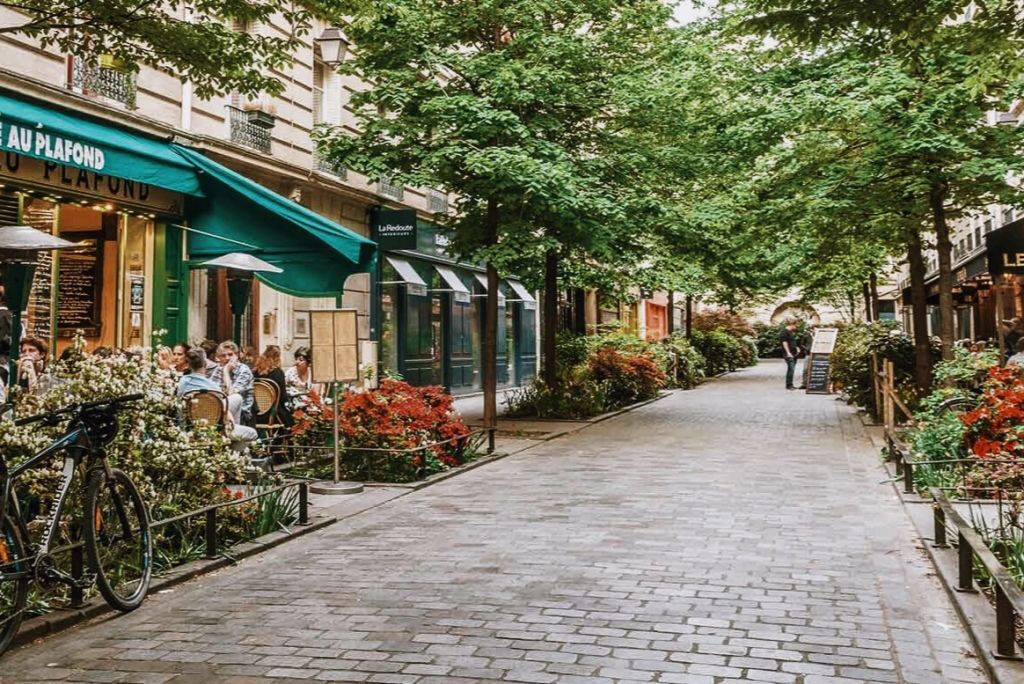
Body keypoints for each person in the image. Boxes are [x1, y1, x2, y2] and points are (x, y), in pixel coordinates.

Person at [176, 348, 257, 450]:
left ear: (188, 365)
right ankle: (233, 454)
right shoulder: (212, 387)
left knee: (237, 398)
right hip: (213, 428)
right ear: (205, 364)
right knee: (252, 433)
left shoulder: (182, 383)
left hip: (189, 426)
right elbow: (224, 410)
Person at [209, 340, 255, 425]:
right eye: (223, 355)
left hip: (242, 413)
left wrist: (226, 372)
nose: (227, 358)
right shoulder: (218, 369)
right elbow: (213, 392)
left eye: (230, 354)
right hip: (221, 408)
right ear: (218, 357)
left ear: (236, 355)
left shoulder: (244, 370)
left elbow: (232, 395)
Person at [253, 345, 294, 428]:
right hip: (273, 414)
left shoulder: (254, 372)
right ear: (277, 358)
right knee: (292, 419)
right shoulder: (278, 373)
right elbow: (283, 397)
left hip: (256, 414)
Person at [780, 320, 801, 390]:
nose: (796, 327)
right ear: (792, 324)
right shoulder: (784, 332)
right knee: (791, 369)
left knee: (792, 369)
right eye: (796, 325)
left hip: (794, 353)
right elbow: (784, 343)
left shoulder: (791, 332)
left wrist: (797, 348)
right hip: (789, 354)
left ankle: (790, 384)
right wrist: (788, 353)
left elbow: (793, 342)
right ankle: (789, 385)